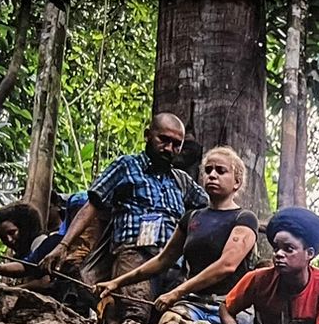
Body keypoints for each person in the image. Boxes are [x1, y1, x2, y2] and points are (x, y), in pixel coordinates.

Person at [93, 145, 260, 324]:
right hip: (193, 304)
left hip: (232, 307)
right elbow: (162, 260)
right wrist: (116, 283)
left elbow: (227, 265)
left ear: (236, 182)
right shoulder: (192, 218)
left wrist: (177, 292)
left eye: (221, 171)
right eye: (208, 170)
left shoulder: (244, 218)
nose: (212, 175)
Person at [45, 114, 204, 298]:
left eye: (177, 144)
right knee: (134, 313)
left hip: (173, 264)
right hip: (134, 255)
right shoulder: (126, 166)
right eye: (164, 140)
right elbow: (92, 204)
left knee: (168, 321)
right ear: (148, 135)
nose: (169, 148)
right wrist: (64, 245)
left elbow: (213, 206)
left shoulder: (181, 180)